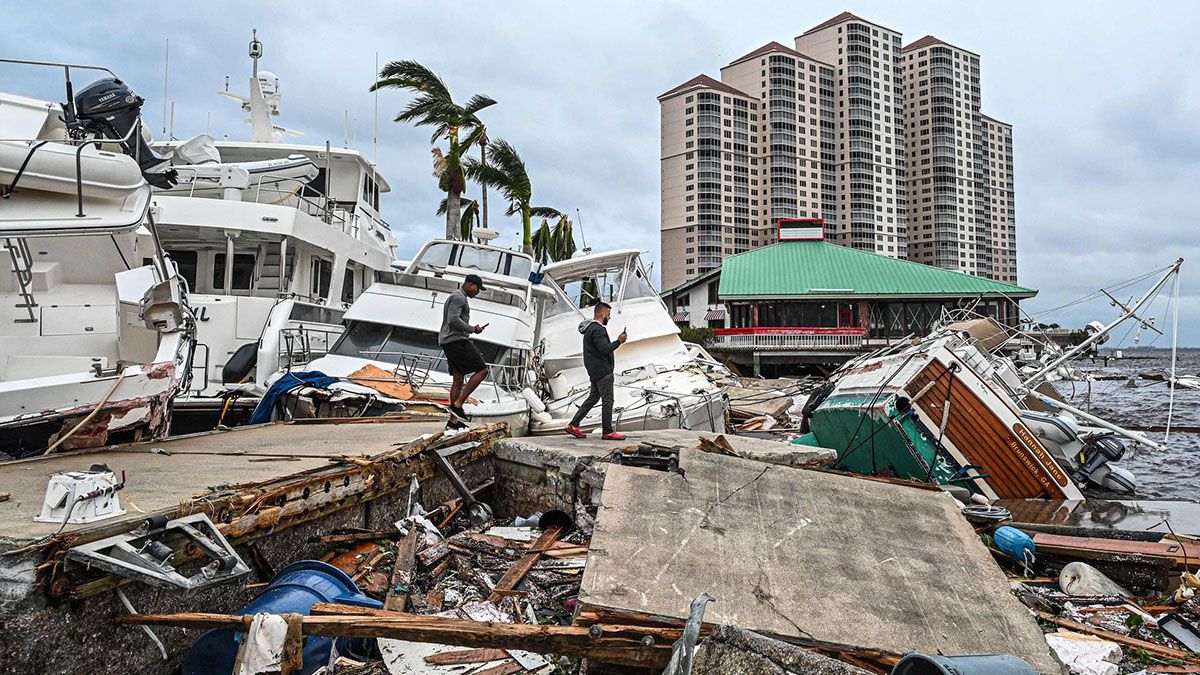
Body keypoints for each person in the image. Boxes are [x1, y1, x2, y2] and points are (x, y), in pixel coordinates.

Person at [566, 301, 628, 440]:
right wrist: (619, 341)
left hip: (594, 370)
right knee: (608, 400)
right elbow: (604, 349)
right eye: (609, 315)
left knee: (593, 398)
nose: (609, 318)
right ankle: (607, 432)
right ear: (603, 314)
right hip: (603, 371)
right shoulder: (598, 329)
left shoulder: (590, 329)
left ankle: (573, 424)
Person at [439, 274, 489, 421]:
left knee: (458, 379)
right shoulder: (459, 297)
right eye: (478, 289)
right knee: (482, 370)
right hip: (456, 341)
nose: (478, 292)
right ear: (471, 285)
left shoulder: (457, 296)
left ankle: (453, 421)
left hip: (448, 341)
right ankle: (458, 404)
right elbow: (453, 320)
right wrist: (473, 329)